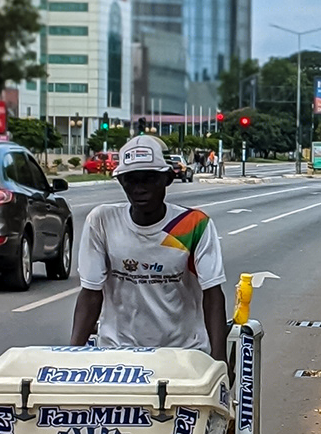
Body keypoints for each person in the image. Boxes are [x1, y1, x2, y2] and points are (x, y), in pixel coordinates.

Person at [70, 135, 229, 352]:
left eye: (149, 179)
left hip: (182, 353)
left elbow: (212, 295)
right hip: (118, 352)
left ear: (168, 179)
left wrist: (219, 360)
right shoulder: (102, 221)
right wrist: (72, 355)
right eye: (131, 180)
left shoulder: (195, 225)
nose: (139, 188)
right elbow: (90, 295)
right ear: (121, 181)